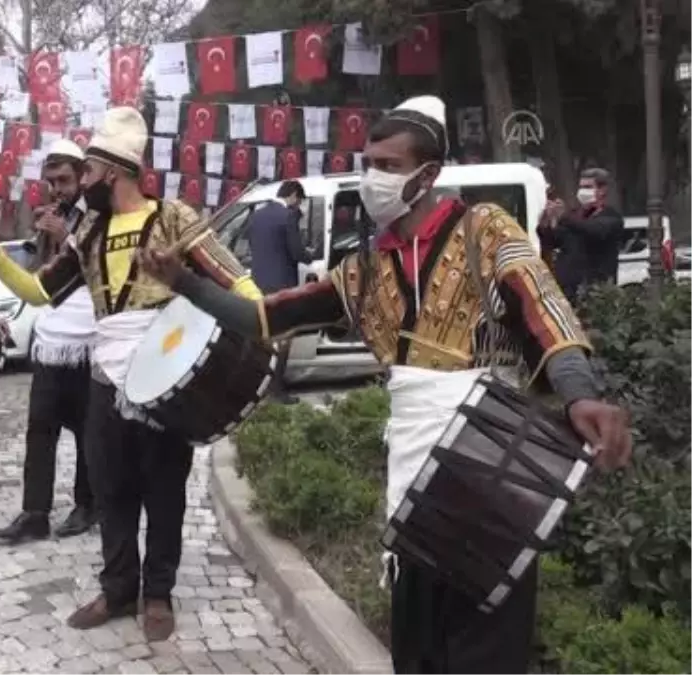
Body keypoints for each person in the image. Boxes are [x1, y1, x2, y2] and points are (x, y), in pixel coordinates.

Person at [137, 96, 633, 674]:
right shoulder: (363, 272)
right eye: (368, 161)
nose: (372, 176)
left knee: (487, 650)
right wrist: (184, 281)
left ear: (428, 175)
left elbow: (543, 305)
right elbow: (264, 319)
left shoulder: (485, 230)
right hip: (413, 486)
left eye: (388, 166)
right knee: (417, 648)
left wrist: (580, 389)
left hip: (492, 471)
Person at [0, 107, 261, 641]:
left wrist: (263, 324)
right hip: (106, 380)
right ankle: (119, 588)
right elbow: (41, 292)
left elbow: (236, 280)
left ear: (113, 173)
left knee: (164, 490)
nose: (81, 184)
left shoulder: (173, 217)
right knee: (111, 489)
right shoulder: (90, 231)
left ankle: (158, 594)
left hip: (164, 376)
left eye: (88, 173)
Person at [0, 140, 99, 545]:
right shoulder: (54, 216)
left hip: (89, 339)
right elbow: (38, 278)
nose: (56, 189)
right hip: (50, 340)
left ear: (83, 176)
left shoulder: (100, 215)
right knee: (40, 429)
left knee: (89, 431)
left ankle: (88, 505)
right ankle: (34, 513)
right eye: (50, 181)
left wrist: (68, 234)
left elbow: (104, 270)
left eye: (64, 180)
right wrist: (45, 239)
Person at [247, 180, 310, 400]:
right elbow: (296, 253)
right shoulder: (288, 216)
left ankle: (260, 389)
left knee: (264, 339)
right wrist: (309, 254)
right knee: (283, 339)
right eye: (298, 200)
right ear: (293, 195)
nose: (297, 205)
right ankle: (276, 390)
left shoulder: (256, 216)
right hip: (282, 286)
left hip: (258, 285)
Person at [539, 168, 624, 304]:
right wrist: (546, 223)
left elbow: (593, 230)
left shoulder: (611, 217)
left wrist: (564, 216)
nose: (583, 191)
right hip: (567, 293)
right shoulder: (575, 216)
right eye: (581, 187)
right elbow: (554, 241)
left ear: (602, 190)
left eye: (588, 187)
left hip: (596, 295)